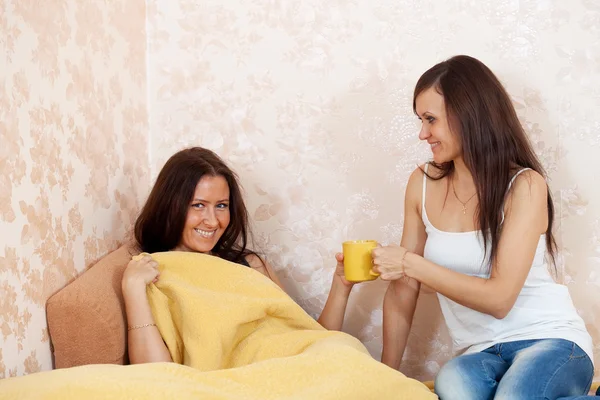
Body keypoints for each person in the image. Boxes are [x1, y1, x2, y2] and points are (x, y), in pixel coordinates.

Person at [372, 55, 595, 399]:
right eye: (420, 120)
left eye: (430, 120)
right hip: (479, 353)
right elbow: (405, 289)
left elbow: (500, 299)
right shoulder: (421, 184)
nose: (422, 133)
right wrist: (384, 380)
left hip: (550, 339)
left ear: (468, 115)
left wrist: (409, 263)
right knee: (453, 387)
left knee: (512, 396)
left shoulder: (525, 186)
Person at [122, 147, 357, 364]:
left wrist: (341, 286)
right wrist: (133, 288)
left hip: (303, 363)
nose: (213, 221)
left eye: (222, 206)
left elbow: (311, 337)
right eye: (198, 205)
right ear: (170, 206)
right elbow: (154, 375)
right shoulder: (153, 273)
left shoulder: (251, 265)